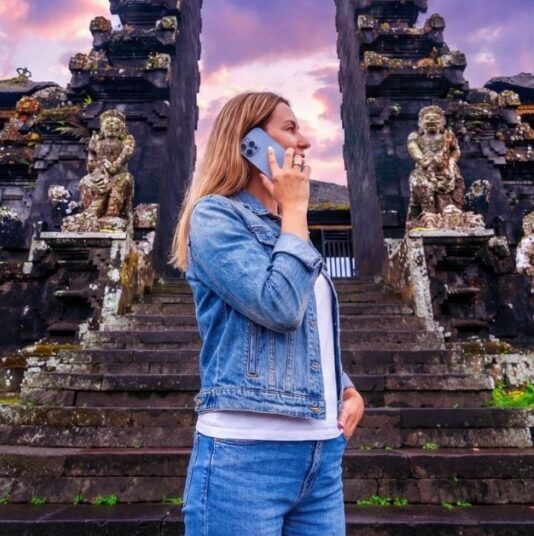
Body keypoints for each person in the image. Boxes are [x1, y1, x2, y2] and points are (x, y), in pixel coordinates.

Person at [168, 91, 365, 535]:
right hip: (245, 456)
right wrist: (295, 209)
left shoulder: (286, 230)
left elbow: (306, 325)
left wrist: (345, 388)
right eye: (290, 129)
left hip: (321, 454)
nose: (306, 142)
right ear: (249, 141)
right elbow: (276, 306)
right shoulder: (216, 216)